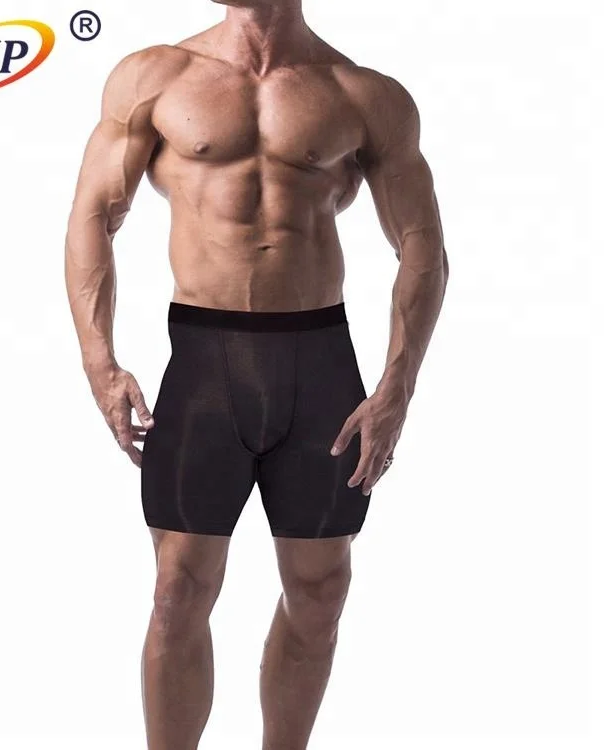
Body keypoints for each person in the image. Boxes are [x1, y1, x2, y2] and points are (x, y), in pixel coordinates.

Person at [64, 1, 448, 747]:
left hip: (319, 362)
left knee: (320, 591)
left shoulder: (362, 94)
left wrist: (397, 387)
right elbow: (92, 215)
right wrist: (98, 359)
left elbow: (422, 245)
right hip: (205, 362)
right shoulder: (155, 76)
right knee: (178, 591)